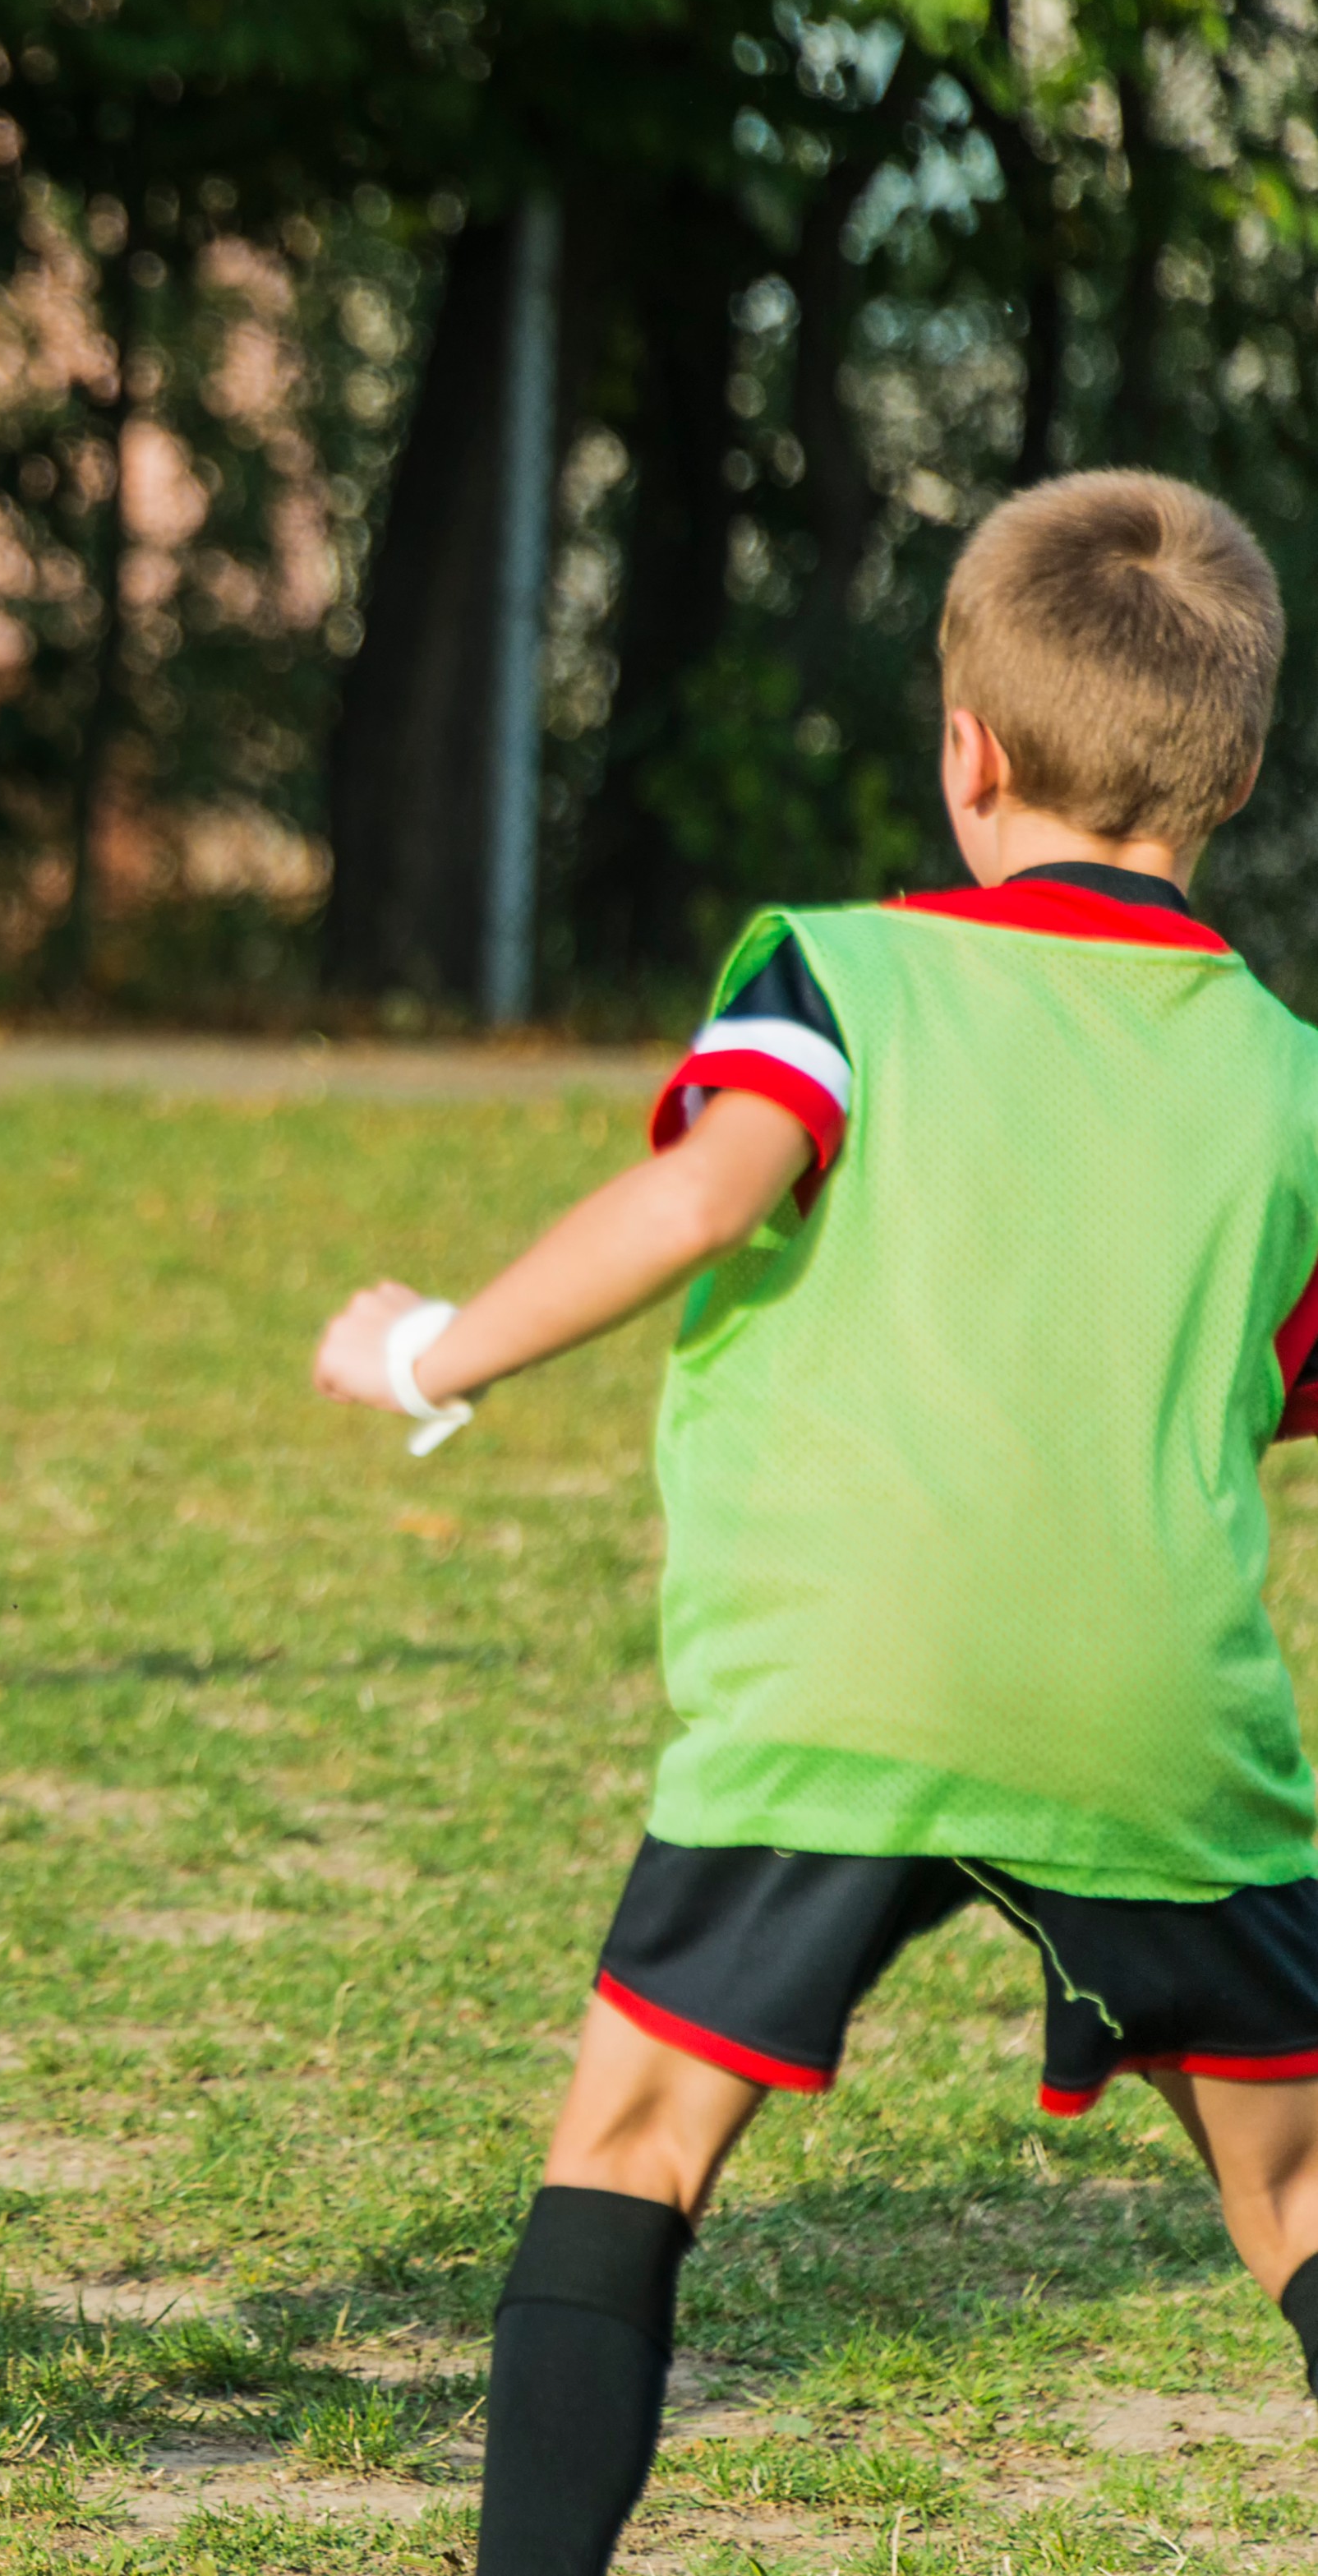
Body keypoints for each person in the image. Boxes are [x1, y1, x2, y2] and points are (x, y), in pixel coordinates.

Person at [311, 470, 1318, 2569]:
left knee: (635, 2137)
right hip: (1147, 1699)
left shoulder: (836, 971)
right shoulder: (1288, 1078)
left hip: (842, 1683)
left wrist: (434, 1353)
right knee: (1294, 2188)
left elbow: (700, 1191)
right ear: (1226, 769)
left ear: (964, 749)